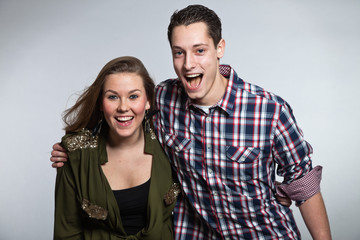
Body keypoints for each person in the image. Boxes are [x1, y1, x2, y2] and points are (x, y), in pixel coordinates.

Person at [52, 5, 332, 240]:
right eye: (179, 52)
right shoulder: (163, 98)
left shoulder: (269, 110)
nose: (188, 64)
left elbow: (304, 187)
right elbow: (123, 114)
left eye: (199, 50)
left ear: (219, 48)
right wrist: (75, 150)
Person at [53, 56, 179, 239]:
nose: (123, 107)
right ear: (100, 104)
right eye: (113, 97)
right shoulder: (74, 155)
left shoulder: (169, 143)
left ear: (148, 101)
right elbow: (66, 232)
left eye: (133, 96)